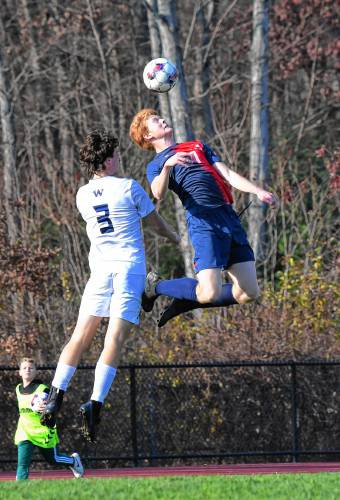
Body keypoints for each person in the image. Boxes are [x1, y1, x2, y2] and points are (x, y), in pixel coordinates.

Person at [40, 129, 179, 442]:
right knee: (114, 338)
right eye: (115, 155)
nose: (119, 159)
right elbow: (154, 223)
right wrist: (177, 238)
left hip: (99, 271)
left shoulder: (82, 195)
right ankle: (95, 403)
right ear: (107, 160)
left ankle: (56, 395)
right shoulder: (129, 187)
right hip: (128, 270)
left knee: (80, 336)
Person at [129, 109, 278, 326]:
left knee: (249, 293)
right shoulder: (156, 164)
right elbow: (157, 193)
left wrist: (257, 191)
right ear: (148, 136)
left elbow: (227, 174)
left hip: (228, 218)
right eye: (155, 120)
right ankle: (156, 286)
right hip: (203, 223)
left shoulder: (197, 146)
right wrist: (168, 166)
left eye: (160, 117)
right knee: (209, 293)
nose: (162, 119)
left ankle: (191, 298)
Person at [14, 357, 84, 480]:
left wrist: (46, 406)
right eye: (24, 368)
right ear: (19, 372)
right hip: (25, 431)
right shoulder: (18, 389)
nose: (27, 370)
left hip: (43, 430)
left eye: (31, 368)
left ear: (36, 372)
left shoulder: (42, 389)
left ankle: (73, 461)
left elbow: (52, 403)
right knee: (22, 464)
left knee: (53, 459)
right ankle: (20, 488)